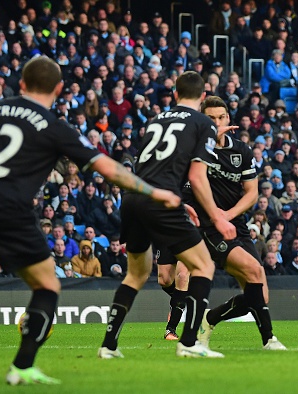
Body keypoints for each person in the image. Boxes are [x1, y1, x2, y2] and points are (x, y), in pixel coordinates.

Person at [0, 57, 180, 386]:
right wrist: (154, 192)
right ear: (57, 89)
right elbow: (109, 169)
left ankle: (23, 366)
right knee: (47, 286)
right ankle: (22, 366)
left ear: (21, 84)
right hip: (9, 211)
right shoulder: (55, 127)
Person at [98, 71, 236, 360]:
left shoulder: (155, 120)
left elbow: (151, 168)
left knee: (135, 275)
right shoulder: (203, 123)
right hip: (162, 202)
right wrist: (218, 216)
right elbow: (198, 179)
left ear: (175, 94)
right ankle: (188, 342)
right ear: (202, 98)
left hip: (135, 199)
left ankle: (108, 346)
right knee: (203, 267)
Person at [192, 96, 286, 351]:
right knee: (255, 272)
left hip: (236, 224)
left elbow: (252, 193)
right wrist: (217, 217)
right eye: (211, 118)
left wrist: (229, 215)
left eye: (221, 117)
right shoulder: (197, 150)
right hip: (210, 227)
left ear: (228, 119)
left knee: (260, 296)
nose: (218, 122)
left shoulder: (241, 150)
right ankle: (269, 340)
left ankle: (210, 318)